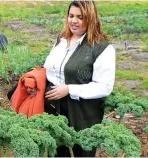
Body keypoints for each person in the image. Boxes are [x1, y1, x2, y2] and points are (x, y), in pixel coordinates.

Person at [42, 1, 115, 156]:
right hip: (54, 108)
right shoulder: (62, 40)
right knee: (57, 151)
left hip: (82, 113)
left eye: (80, 17)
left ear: (91, 18)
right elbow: (50, 69)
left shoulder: (102, 48)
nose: (73, 21)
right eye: (71, 16)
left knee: (82, 150)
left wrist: (69, 89)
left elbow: (105, 86)